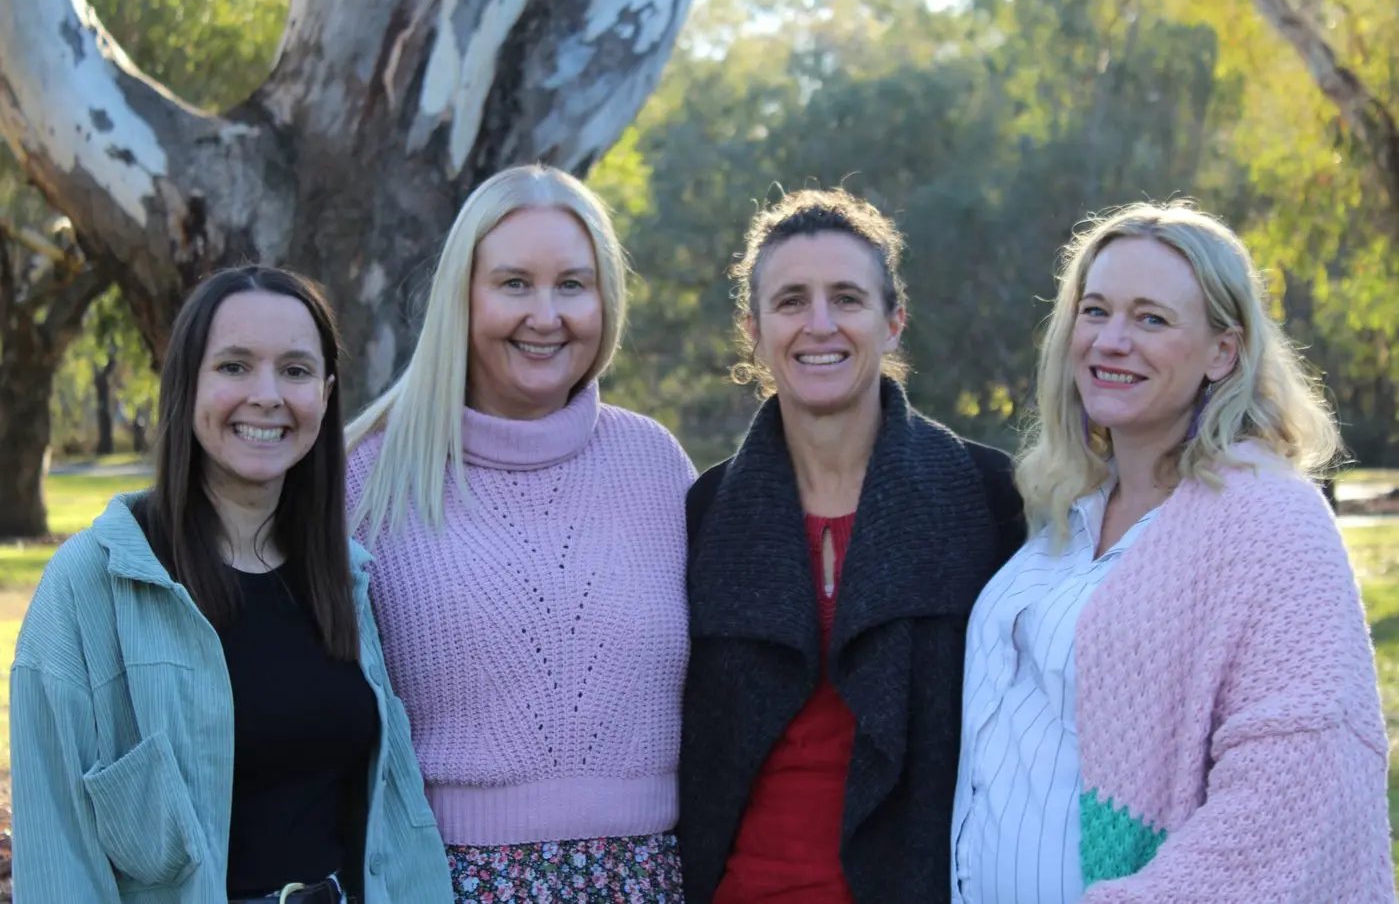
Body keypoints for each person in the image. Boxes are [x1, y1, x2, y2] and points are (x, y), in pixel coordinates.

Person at [950, 201, 1394, 902]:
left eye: (1150, 318)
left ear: (1224, 350)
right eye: (1094, 311)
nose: (1110, 340)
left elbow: (1294, 793)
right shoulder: (1067, 506)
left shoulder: (1267, 518)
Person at [10, 267, 453, 904]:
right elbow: (58, 862)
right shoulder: (91, 588)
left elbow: (393, 826)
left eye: (296, 371)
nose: (268, 395)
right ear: (185, 384)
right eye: (235, 366)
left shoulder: (345, 579)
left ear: (325, 397)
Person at [345, 164, 695, 902]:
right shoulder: (368, 476)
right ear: (462, 298)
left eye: (572, 284)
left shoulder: (657, 465)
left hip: (649, 880)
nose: (546, 314)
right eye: (513, 284)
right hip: (446, 880)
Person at [679, 188, 1026, 903]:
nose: (819, 325)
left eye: (846, 298)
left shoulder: (989, 495)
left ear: (892, 320)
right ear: (752, 328)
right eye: (790, 301)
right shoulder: (705, 511)